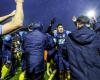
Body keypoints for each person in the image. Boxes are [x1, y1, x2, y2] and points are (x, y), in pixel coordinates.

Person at [65, 16, 100, 80]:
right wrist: (96, 23)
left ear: (78, 24)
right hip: (95, 75)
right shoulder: (96, 36)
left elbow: (64, 53)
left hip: (77, 76)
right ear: (88, 24)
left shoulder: (69, 38)